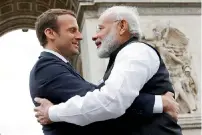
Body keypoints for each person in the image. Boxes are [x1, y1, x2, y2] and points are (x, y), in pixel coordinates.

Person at [30, 7, 180, 135]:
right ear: (50, 33)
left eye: (100, 28)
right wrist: (159, 102)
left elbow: (109, 99)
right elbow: (105, 97)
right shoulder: (48, 69)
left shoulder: (135, 51)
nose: (86, 36)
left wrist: (52, 112)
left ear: (122, 26)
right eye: (72, 30)